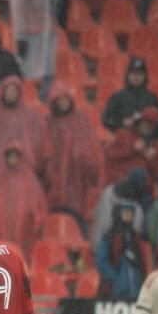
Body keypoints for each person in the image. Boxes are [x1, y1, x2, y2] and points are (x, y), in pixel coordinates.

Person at [42, 82, 105, 218]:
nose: (63, 103)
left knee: (76, 214)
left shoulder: (81, 119)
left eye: (65, 99)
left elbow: (90, 149)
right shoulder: (48, 122)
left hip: (78, 177)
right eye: (59, 100)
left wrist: (80, 156)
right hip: (55, 177)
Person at [0, 142, 48, 258]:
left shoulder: (30, 180)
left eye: (15, 155)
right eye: (10, 155)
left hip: (24, 228)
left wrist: (37, 222)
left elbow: (38, 204)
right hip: (1, 226)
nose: (12, 159)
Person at [7, 0, 57, 88]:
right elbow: (18, 6)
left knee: (47, 70)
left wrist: (54, 15)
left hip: (47, 30)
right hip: (30, 32)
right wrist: (21, 35)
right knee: (28, 71)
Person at [104, 106, 158, 188]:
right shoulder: (123, 135)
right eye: (146, 123)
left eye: (152, 126)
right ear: (140, 122)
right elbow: (107, 155)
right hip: (120, 187)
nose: (148, 127)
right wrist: (132, 149)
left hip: (143, 191)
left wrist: (152, 160)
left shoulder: (157, 147)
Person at [95, 202, 149, 300]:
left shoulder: (136, 237)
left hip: (136, 286)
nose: (129, 216)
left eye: (131, 213)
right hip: (116, 286)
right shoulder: (110, 236)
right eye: (125, 213)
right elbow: (102, 260)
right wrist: (114, 278)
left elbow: (143, 260)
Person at [101, 58, 158, 133]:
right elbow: (106, 119)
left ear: (145, 76)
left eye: (140, 74)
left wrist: (149, 141)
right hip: (124, 139)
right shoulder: (118, 97)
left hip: (147, 140)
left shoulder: (153, 98)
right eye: (133, 73)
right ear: (128, 75)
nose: (136, 77)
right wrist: (122, 122)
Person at [91, 167, 149, 247]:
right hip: (114, 253)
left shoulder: (107, 191)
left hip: (96, 244)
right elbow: (136, 233)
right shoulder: (135, 209)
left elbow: (95, 215)